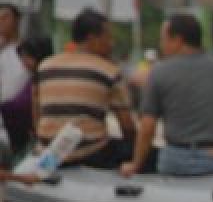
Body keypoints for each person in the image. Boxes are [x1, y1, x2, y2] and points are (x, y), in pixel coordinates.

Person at [121, 13, 213, 177]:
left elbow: (148, 126)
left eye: (163, 39)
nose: (161, 45)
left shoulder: (159, 72)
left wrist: (135, 164)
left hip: (178, 159)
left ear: (177, 40)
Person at [32, 9, 137, 170]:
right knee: (149, 155)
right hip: (90, 154)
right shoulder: (109, 70)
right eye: (108, 37)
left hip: (49, 152)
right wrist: (134, 154)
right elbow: (127, 126)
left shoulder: (45, 66)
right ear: (92, 39)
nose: (112, 43)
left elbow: (36, 112)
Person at [0, 35, 53, 155]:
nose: (23, 61)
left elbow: (23, 105)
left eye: (27, 56)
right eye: (22, 57)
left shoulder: (42, 79)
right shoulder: (33, 78)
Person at [0, 3, 30, 107]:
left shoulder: (27, 48)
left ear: (17, 19)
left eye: (5, 17)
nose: (1, 21)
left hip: (21, 110)